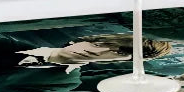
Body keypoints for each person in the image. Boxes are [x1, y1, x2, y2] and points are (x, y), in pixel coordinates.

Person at [18, 34, 173, 68]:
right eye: (98, 45)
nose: (98, 52)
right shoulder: (20, 45)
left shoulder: (64, 81)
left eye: (120, 53)